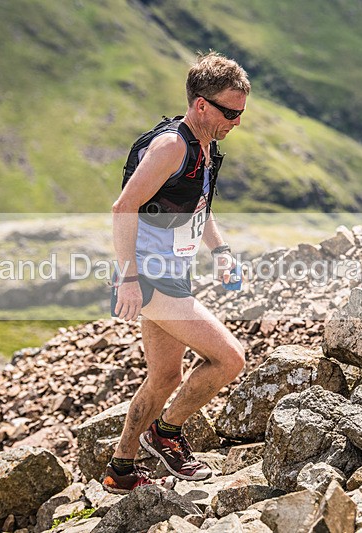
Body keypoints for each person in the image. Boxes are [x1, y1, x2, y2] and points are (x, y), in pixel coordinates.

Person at [101, 51, 250, 493]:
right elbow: (123, 207)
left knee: (165, 376)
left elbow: (199, 207)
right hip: (149, 277)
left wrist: (220, 251)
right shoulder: (172, 147)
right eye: (230, 113)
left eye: (241, 113)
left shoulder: (205, 144)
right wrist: (128, 279)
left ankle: (121, 469)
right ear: (201, 105)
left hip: (173, 274)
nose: (236, 122)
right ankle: (165, 433)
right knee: (230, 359)